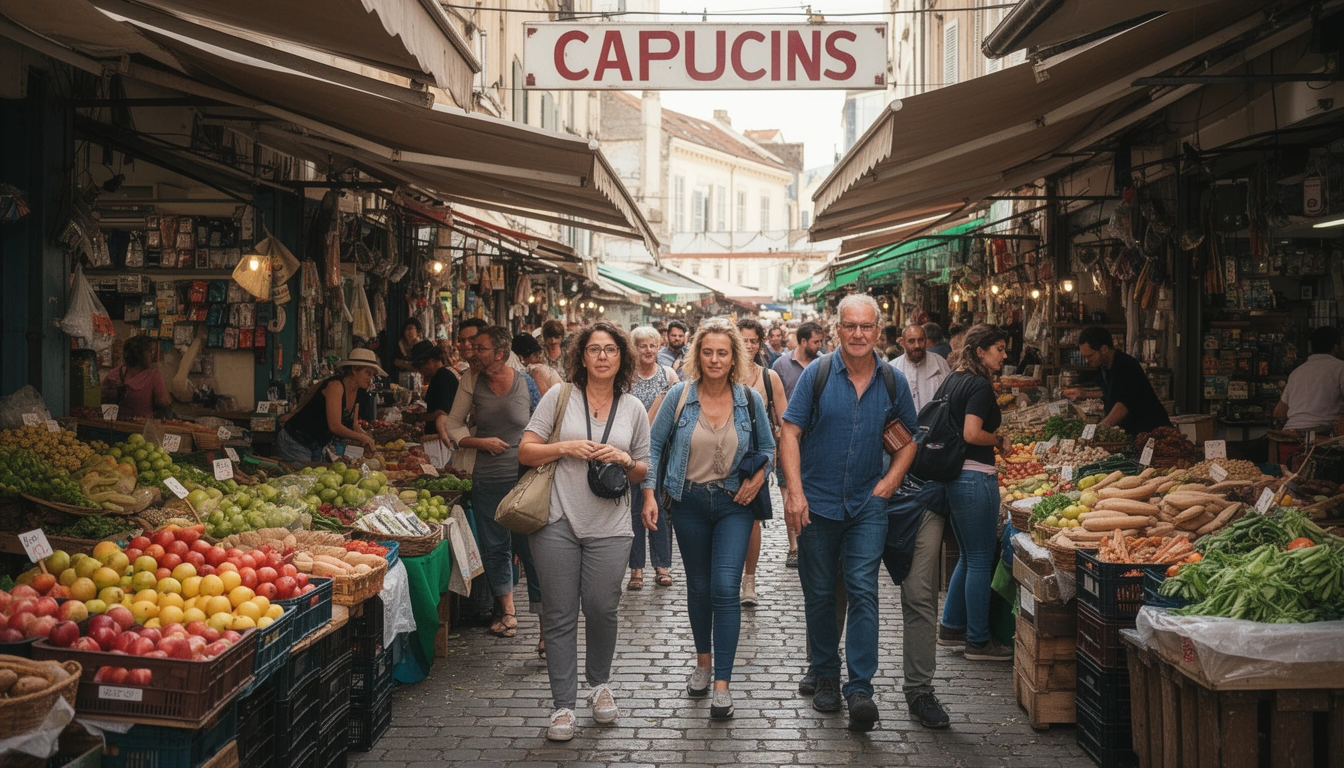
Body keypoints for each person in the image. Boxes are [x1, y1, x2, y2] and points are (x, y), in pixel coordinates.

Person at [779, 294, 919, 732]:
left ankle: (860, 687)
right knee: (820, 593)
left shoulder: (892, 381)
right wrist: (795, 494)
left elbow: (908, 439)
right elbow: (789, 431)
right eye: (850, 326)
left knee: (863, 590)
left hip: (866, 506)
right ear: (836, 329)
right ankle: (825, 673)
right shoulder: (818, 375)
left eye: (866, 327)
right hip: (817, 504)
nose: (858, 335)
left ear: (879, 331)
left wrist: (889, 483)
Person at [519, 322, 651, 742]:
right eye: (594, 349)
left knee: (601, 608)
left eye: (610, 350)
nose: (602, 357)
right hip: (557, 520)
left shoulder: (631, 408)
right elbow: (525, 449)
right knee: (558, 614)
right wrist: (565, 447)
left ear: (621, 357)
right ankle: (562, 706)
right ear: (581, 356)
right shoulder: (559, 397)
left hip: (611, 526)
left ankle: (600, 685)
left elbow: (645, 468)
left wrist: (625, 459)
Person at [643, 319, 775, 721]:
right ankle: (703, 663)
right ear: (696, 354)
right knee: (699, 588)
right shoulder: (679, 397)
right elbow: (652, 443)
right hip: (689, 504)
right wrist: (649, 492)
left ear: (734, 356)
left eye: (723, 352)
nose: (715, 359)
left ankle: (723, 683)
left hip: (735, 503)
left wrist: (757, 478)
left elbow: (768, 446)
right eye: (708, 351)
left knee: (724, 587)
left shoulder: (749, 400)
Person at [443, 327, 543, 644]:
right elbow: (453, 424)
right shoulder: (471, 382)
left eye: (481, 348)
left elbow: (544, 424)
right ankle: (508, 612)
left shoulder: (526, 382)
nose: (473, 352)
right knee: (495, 546)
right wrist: (478, 442)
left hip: (524, 480)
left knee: (532, 551)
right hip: (487, 478)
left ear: (500, 353)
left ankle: (545, 628)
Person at [937, 323, 1014, 661]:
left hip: (955, 477)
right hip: (975, 477)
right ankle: (979, 641)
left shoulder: (954, 378)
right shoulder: (980, 385)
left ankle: (952, 627)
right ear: (981, 351)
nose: (1004, 354)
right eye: (999, 348)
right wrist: (999, 440)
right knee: (981, 558)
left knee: (969, 557)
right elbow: (971, 433)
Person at [735, 318, 788, 608]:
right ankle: (728, 575)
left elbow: (786, 422)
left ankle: (749, 579)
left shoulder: (770, 378)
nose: (749, 346)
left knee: (753, 519)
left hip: (756, 459)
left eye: (754, 341)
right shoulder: (721, 374)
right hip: (721, 457)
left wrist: (778, 448)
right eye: (743, 340)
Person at [627, 326, 679, 590]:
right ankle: (636, 569)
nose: (648, 350)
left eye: (652, 345)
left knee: (659, 507)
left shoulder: (668, 376)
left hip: (661, 452)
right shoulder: (626, 378)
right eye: (642, 346)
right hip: (631, 453)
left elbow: (678, 414)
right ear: (634, 348)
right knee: (634, 510)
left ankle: (662, 565)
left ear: (659, 347)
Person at [772, 320, 822, 569]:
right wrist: (777, 430)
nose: (819, 345)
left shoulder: (823, 364)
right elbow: (774, 400)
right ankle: (794, 546)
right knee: (788, 493)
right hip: (787, 438)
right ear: (803, 341)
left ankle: (812, 545)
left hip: (815, 439)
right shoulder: (781, 364)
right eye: (815, 341)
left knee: (811, 493)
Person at [276, 348, 380, 462]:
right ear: (355, 370)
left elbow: (354, 424)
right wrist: (361, 438)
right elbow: (334, 426)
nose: (370, 379)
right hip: (295, 440)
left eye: (372, 375)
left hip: (316, 444)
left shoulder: (359, 391)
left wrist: (367, 437)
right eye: (368, 373)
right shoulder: (336, 386)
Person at [1078, 327, 1173, 436]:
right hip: (1132, 431)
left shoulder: (1126, 365)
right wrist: (1084, 394)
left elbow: (1123, 405)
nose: (1087, 360)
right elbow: (1109, 393)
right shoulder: (1103, 366)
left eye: (1090, 355)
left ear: (1104, 349)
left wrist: (1098, 431)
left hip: (1151, 431)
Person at [1274, 325, 1344, 430]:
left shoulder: (1296, 372)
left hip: (1290, 433)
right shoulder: (1340, 367)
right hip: (1322, 434)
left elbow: (1279, 412)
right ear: (1336, 347)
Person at [101, 335, 171, 420]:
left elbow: (102, 398)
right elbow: (163, 402)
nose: (152, 355)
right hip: (141, 426)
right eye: (149, 351)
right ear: (138, 354)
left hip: (115, 425)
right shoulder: (153, 375)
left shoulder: (114, 373)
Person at [406, 340, 458, 445]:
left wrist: (416, 418)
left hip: (441, 438)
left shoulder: (442, 378)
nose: (421, 371)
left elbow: (441, 413)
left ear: (430, 361)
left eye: (421, 367)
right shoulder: (441, 376)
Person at [891, 323, 952, 411]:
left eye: (921, 340)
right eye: (911, 341)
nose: (917, 345)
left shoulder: (939, 363)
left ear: (926, 340)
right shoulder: (893, 368)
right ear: (902, 343)